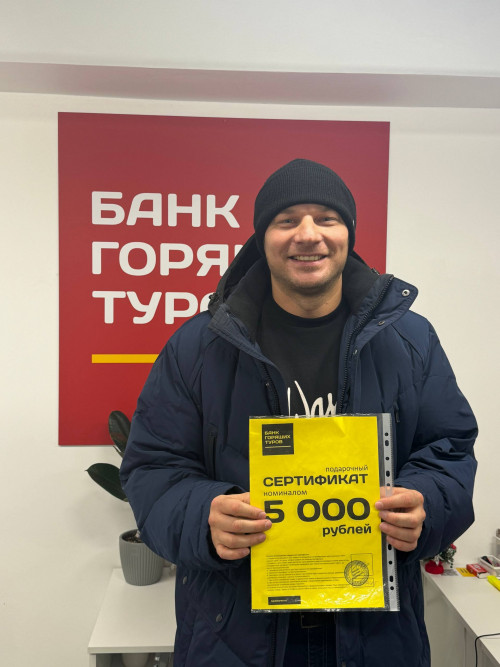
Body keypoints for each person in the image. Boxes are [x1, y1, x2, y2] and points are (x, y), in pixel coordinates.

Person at [120, 158, 477, 667]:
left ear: (348, 234)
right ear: (261, 238)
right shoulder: (198, 346)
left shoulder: (410, 340)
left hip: (374, 633)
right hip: (235, 633)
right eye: (286, 220)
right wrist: (202, 516)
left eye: (326, 218)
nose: (308, 235)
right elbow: (153, 468)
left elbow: (450, 450)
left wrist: (427, 506)